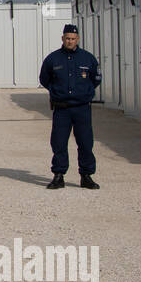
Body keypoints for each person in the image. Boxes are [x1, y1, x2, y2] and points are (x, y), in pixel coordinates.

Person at [38, 24, 101, 189]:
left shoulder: (88, 59)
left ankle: (86, 176)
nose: (70, 41)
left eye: (73, 39)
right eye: (67, 38)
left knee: (85, 142)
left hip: (82, 108)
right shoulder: (53, 59)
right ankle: (58, 176)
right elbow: (44, 79)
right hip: (62, 108)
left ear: (78, 39)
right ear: (62, 39)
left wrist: (84, 92)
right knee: (59, 142)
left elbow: (96, 79)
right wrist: (56, 91)